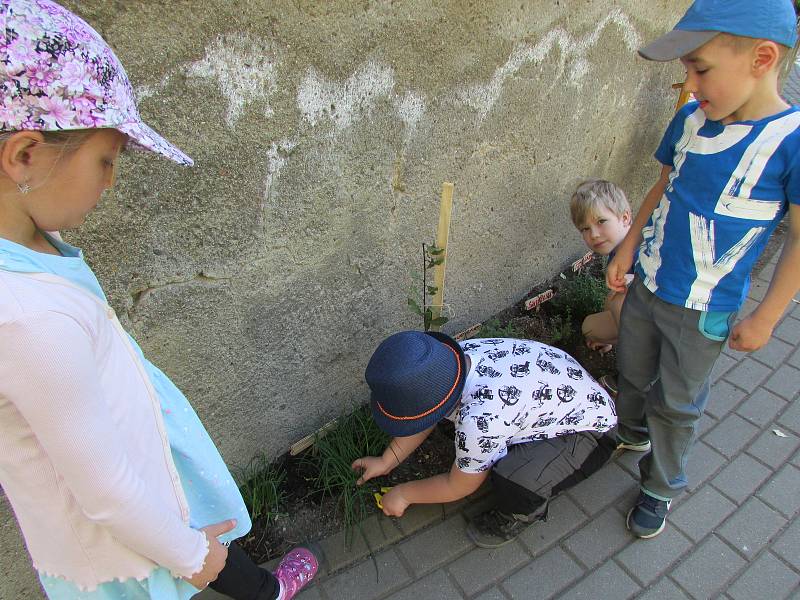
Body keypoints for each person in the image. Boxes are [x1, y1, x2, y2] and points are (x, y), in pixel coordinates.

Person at [0, 1, 317, 598]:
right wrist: (196, 557)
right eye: (106, 159)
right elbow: (110, 493)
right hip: (120, 536)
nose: (111, 180)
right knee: (195, 570)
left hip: (125, 486)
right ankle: (261, 590)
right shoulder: (24, 317)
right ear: (25, 155)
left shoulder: (28, 243)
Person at [606, 0, 800, 539]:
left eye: (701, 68)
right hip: (648, 282)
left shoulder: (790, 143)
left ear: (762, 58)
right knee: (632, 365)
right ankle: (631, 431)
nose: (689, 84)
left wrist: (766, 318)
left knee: (678, 401)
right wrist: (626, 249)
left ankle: (660, 485)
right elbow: (664, 185)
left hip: (704, 310)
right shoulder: (692, 118)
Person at [352, 331, 617, 548]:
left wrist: (404, 494)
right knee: (498, 437)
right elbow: (427, 414)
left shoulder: (480, 424)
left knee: (514, 479)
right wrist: (388, 460)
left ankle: (521, 513)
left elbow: (458, 486)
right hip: (568, 390)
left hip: (590, 434)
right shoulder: (455, 359)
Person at [569, 179, 634, 396]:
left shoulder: (643, 248)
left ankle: (634, 380)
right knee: (592, 327)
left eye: (601, 222)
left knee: (617, 301)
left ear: (625, 218)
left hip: (660, 328)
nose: (593, 234)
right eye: (585, 229)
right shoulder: (617, 251)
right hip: (638, 320)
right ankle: (621, 342)